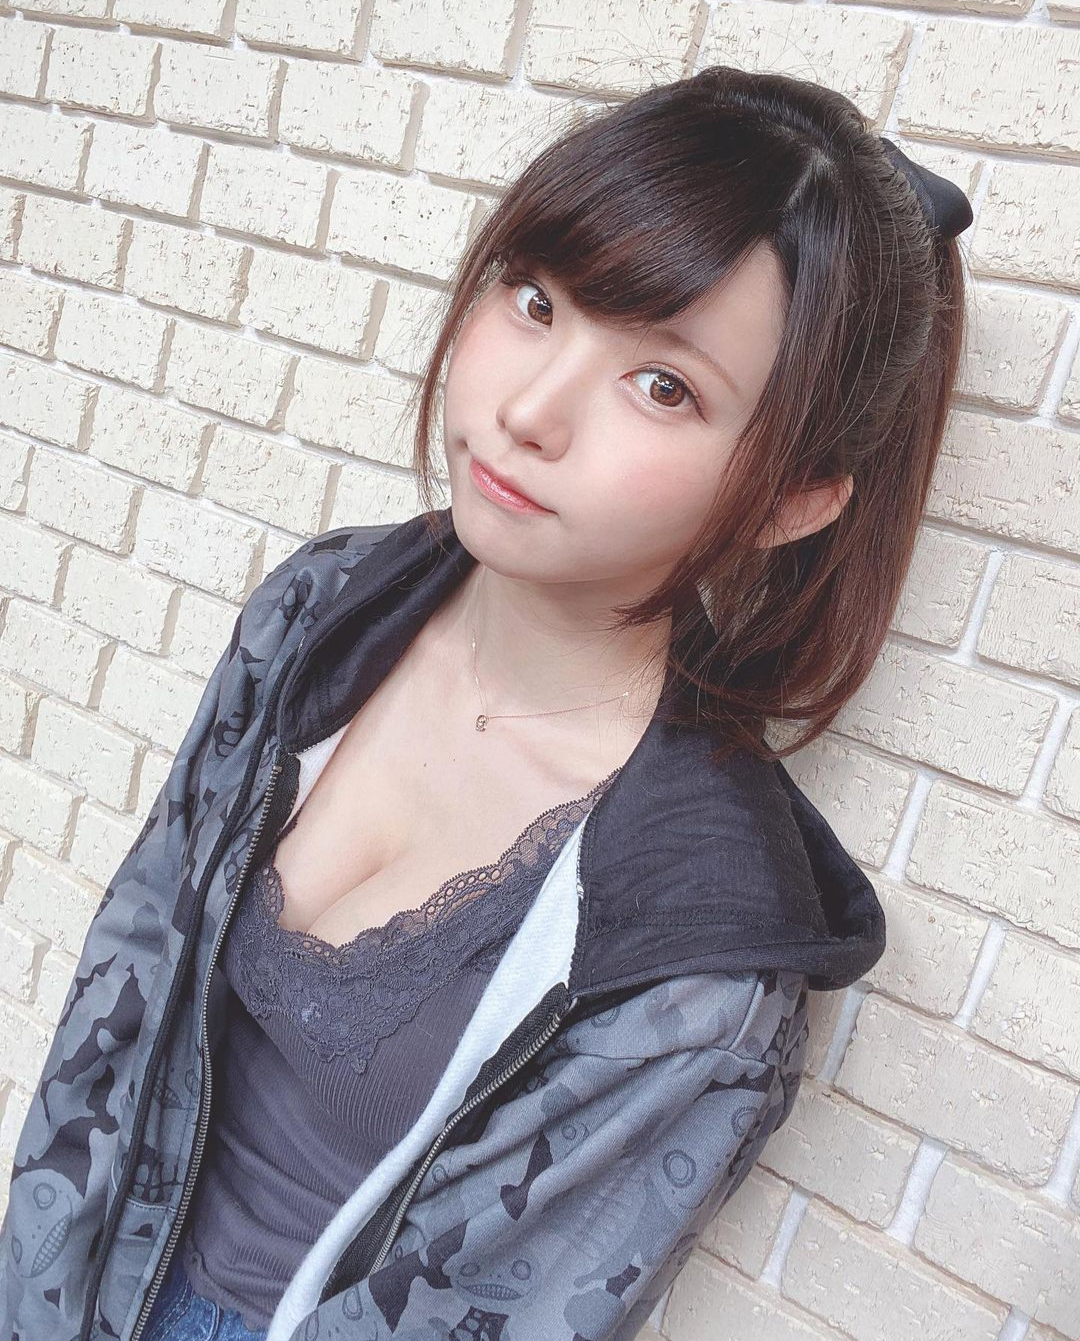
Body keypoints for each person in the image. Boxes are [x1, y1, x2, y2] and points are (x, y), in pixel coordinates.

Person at [0, 62, 972, 1341]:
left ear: (791, 502)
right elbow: (121, 1000)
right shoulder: (323, 613)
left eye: (664, 385)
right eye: (536, 300)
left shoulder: (693, 956)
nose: (526, 411)